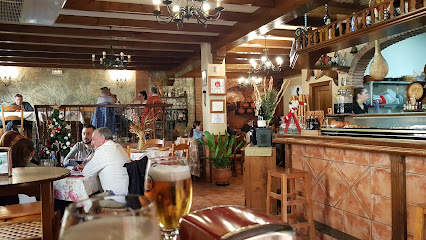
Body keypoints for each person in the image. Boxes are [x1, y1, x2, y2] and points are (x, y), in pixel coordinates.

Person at [80, 127, 130, 195]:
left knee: (85, 203)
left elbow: (86, 172)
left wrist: (87, 164)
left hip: (114, 197)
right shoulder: (117, 146)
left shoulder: (104, 150)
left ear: (102, 138)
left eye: (93, 139)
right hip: (127, 194)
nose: (92, 143)